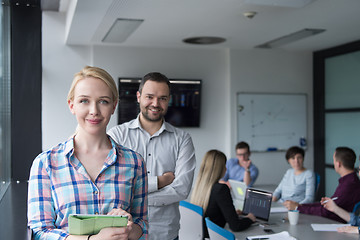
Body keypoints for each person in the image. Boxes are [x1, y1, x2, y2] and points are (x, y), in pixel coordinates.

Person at [27, 66, 148, 240]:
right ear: (72, 105)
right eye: (84, 101)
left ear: (114, 106)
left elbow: (142, 225)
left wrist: (130, 228)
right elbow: (39, 232)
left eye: (103, 101)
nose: (94, 111)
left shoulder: (134, 162)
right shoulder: (45, 163)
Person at [108, 72, 196, 240]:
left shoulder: (182, 139)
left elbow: (182, 189)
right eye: (150, 96)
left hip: (166, 234)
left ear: (169, 100)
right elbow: (114, 186)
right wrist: (160, 182)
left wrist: (136, 197)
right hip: (125, 234)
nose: (156, 103)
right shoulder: (117, 136)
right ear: (139, 96)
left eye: (162, 98)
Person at [190, 150, 256, 239]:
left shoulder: (199, 187)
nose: (226, 168)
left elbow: (212, 211)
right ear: (220, 168)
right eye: (224, 165)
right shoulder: (221, 189)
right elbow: (236, 226)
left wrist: (231, 214)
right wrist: (249, 218)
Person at [284, 147, 360, 223]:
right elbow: (329, 205)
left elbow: (327, 211)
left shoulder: (349, 184)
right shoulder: (349, 180)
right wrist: (300, 206)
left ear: (338, 163)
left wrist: (298, 208)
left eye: (333, 160)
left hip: (335, 223)